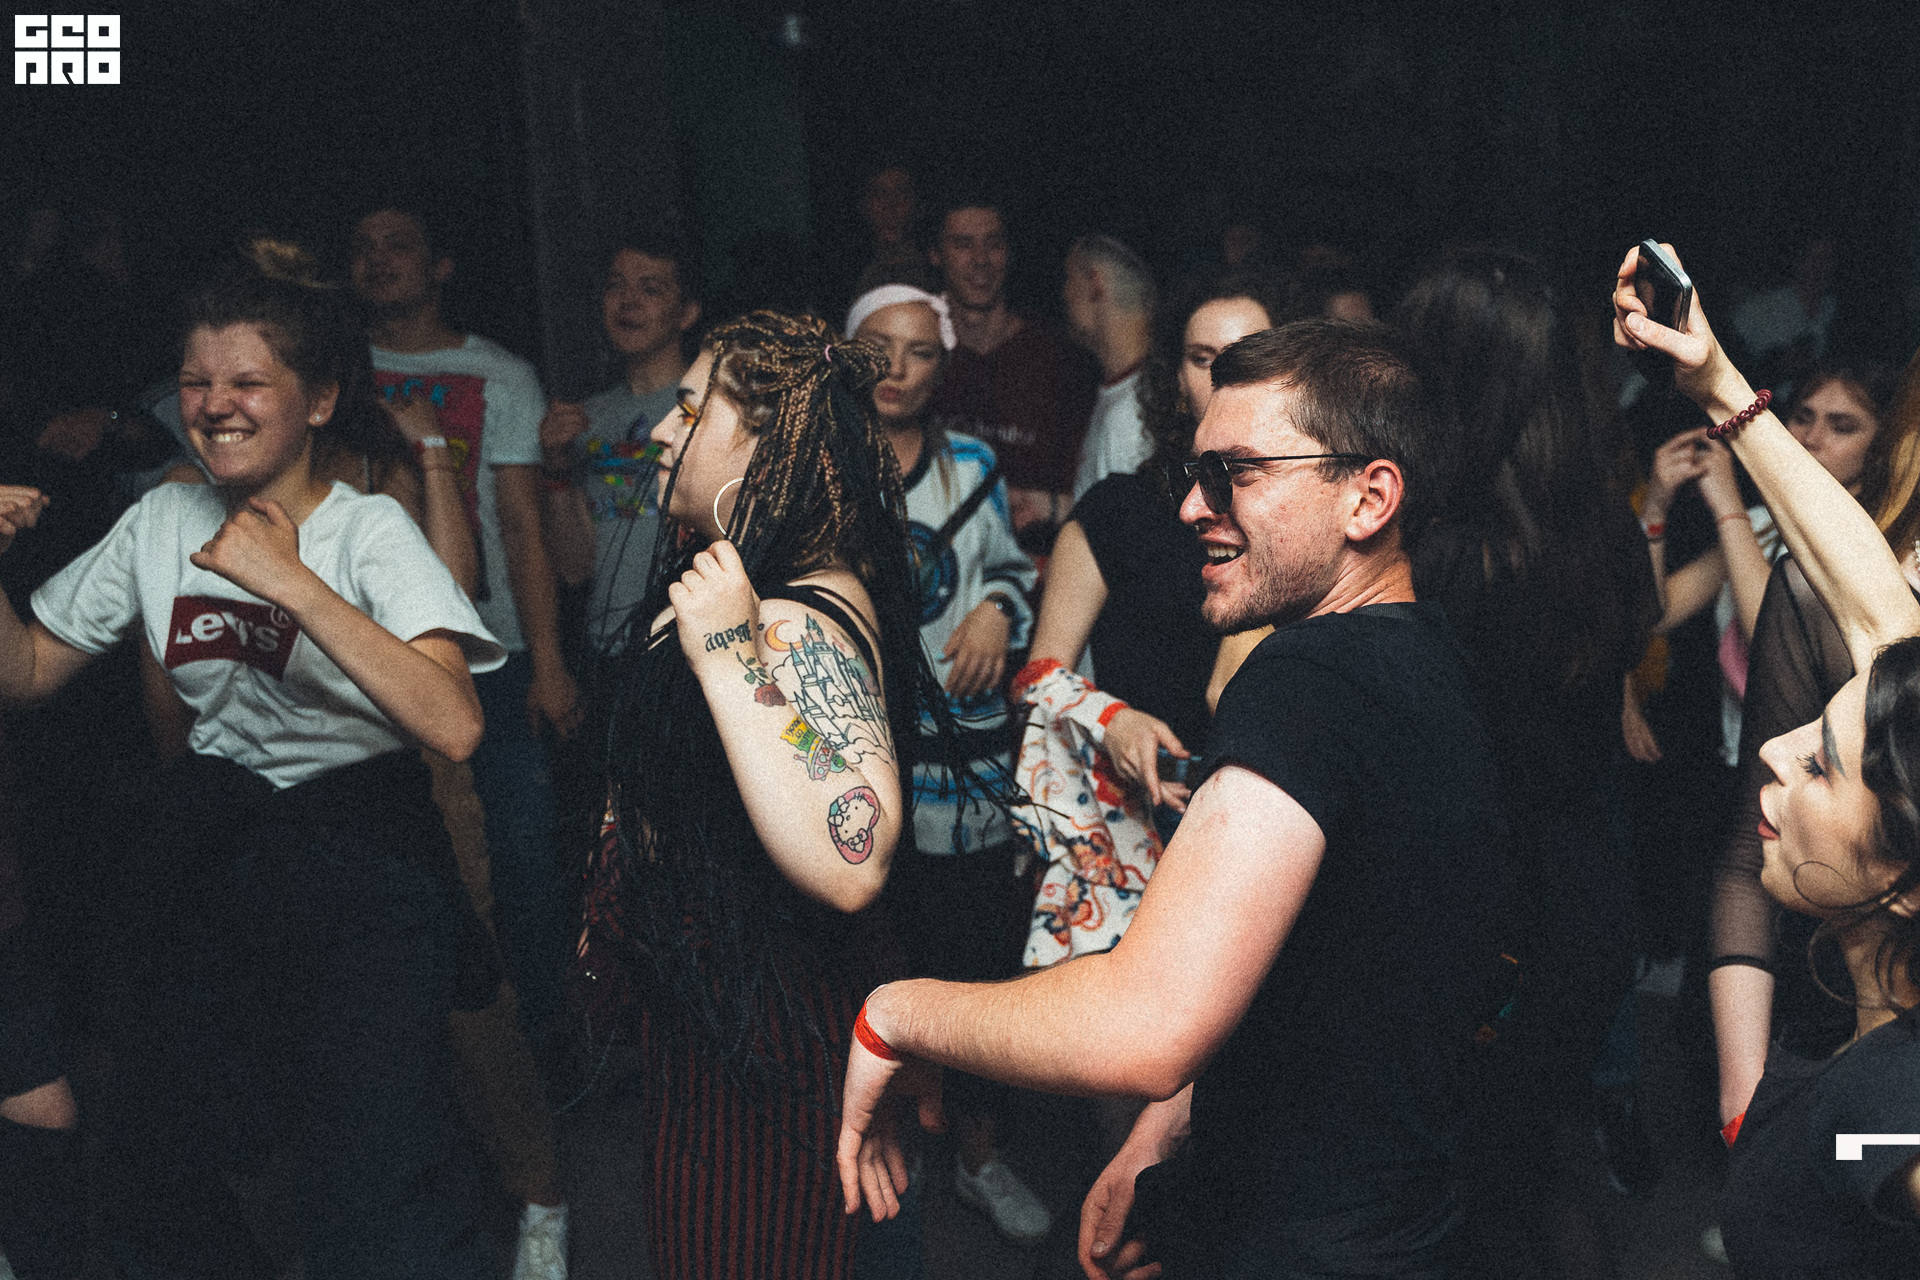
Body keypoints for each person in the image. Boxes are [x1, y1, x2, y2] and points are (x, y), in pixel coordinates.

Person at [837, 320, 1514, 1279]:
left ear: (1368, 498)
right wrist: (1159, 1137)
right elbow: (1312, 970)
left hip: (1307, 1244)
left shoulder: (1308, 683)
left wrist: (895, 1014)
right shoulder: (1422, 653)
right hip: (1395, 1212)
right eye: (1196, 475)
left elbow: (1147, 1021)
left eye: (1237, 474)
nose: (1195, 506)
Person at [0, 243, 505, 1278]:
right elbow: (30, 670)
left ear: (317, 401)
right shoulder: (160, 520)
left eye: (247, 383)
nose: (215, 405)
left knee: (371, 1175)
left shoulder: (368, 531)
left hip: (365, 859)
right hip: (221, 851)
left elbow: (454, 724)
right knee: (180, 1158)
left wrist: (292, 582)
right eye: (196, 382)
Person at [575, 311, 958, 1280]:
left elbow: (852, 858)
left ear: (767, 445)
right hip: (728, 1012)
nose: (664, 430)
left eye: (692, 410)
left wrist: (727, 653)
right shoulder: (762, 586)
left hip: (771, 1027)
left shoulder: (788, 619)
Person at [1614, 242, 1920, 1279]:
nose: (1780, 747)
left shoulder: (1890, 1113)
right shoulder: (1853, 1103)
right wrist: (1718, 384)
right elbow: (1872, 603)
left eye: (1825, 762)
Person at [1395, 247, 1661, 1273]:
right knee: (1527, 1170)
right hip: (1583, 903)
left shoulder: (1448, 561)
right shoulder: (1595, 529)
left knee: (1467, 1200)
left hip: (1491, 932)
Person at [846, 284, 1051, 1244]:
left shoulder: (971, 462)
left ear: (944, 364)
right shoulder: (823, 463)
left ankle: (977, 1155)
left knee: (973, 972)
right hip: (862, 765)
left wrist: (1001, 608)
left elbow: (1010, 566)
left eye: (920, 351)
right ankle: (881, 1153)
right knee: (872, 966)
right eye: (877, 347)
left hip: (964, 766)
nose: (897, 369)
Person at [349, 203, 579, 1052]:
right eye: (363, 247)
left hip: (493, 651)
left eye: (398, 244)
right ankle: (448, 1059)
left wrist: (549, 663)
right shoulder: (334, 367)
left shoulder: (499, 374)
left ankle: (547, 1048)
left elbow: (521, 524)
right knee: (410, 866)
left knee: (521, 855)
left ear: (440, 264)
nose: (378, 259)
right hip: (369, 655)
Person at [1708, 356, 1920, 1142]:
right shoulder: (1832, 594)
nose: (1781, 755)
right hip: (1819, 990)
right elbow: (1747, 848)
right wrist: (1744, 1102)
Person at [924, 194, 1096, 544]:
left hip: (1043, 559)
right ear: (936, 255)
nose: (980, 260)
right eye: (963, 244)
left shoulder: (1057, 357)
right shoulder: (919, 356)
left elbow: (1091, 490)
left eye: (994, 244)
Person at [1063, 234, 1155, 499]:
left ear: (1094, 284)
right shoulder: (1125, 394)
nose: (1064, 293)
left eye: (1068, 278)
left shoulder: (1131, 417)